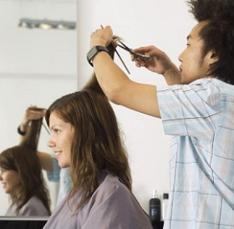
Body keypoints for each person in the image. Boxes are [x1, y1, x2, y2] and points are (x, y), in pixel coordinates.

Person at [89, 0, 234, 228]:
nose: (180, 55)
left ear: (213, 54)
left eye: (188, 44)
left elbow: (117, 90)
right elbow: (191, 110)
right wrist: (168, 71)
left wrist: (97, 48)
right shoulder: (220, 100)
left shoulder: (211, 97)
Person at [42, 87, 153, 229]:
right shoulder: (82, 193)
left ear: (86, 132)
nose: (50, 142)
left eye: (57, 130)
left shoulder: (111, 195)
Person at [18, 106, 72, 204]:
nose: (50, 143)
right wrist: (24, 127)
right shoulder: (64, 165)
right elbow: (25, 156)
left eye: (57, 130)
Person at [0, 145, 51, 216]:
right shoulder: (18, 204)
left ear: (21, 171)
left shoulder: (31, 207)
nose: (0, 178)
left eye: (3, 170)